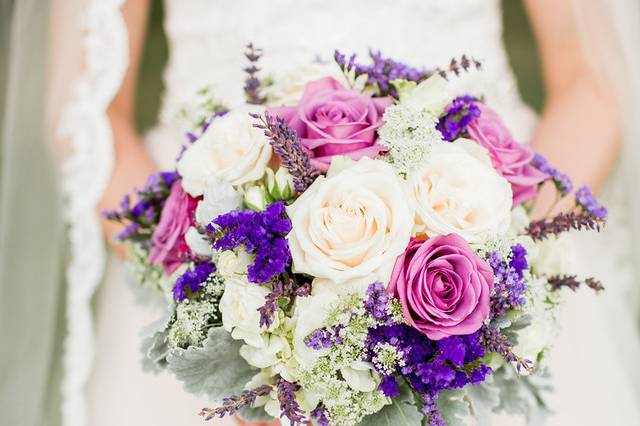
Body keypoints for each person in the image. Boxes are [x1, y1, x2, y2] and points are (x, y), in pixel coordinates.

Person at [2, 0, 637, 425]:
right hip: (206, 256)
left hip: (487, 233)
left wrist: (490, 279)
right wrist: (226, 306)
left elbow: (589, 84)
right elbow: (87, 117)